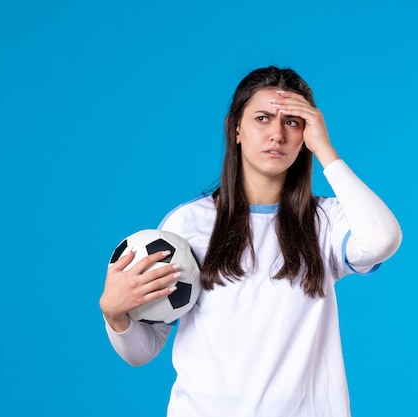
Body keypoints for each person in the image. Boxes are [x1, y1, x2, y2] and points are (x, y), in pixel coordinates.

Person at [99, 66, 402, 417]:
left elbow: (383, 239)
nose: (277, 133)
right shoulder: (188, 224)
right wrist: (114, 313)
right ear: (236, 128)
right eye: (262, 118)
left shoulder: (326, 221)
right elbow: (142, 351)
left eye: (292, 121)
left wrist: (325, 151)